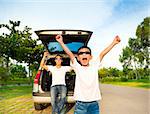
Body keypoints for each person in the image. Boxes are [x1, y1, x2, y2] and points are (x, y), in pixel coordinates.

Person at [55, 34, 121, 114]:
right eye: (81, 53)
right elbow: (70, 54)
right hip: (80, 104)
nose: (84, 54)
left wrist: (114, 42)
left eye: (87, 53)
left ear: (91, 57)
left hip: (94, 104)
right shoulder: (77, 67)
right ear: (78, 58)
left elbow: (102, 53)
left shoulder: (95, 66)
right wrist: (61, 42)